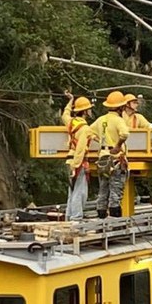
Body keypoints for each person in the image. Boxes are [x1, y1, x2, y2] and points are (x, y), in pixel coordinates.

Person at [91, 91, 130, 218]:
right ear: (121, 107)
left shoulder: (100, 120)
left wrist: (101, 141)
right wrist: (118, 145)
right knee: (115, 191)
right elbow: (124, 134)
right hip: (115, 159)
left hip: (103, 158)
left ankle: (101, 218)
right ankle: (115, 221)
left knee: (103, 190)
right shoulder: (118, 120)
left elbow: (89, 132)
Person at [61, 91, 96, 221]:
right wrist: (76, 166)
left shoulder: (70, 122)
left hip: (69, 160)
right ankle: (76, 218)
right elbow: (80, 149)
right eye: (89, 110)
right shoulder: (85, 129)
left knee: (72, 191)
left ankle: (69, 217)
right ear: (86, 111)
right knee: (80, 191)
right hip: (78, 162)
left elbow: (65, 113)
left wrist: (71, 100)